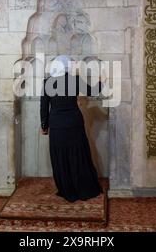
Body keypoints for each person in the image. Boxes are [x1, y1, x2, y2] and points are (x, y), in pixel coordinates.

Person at [40, 55, 103, 202]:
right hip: (74, 124)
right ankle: (83, 188)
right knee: (78, 155)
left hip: (57, 126)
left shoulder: (47, 83)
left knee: (61, 157)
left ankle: (67, 189)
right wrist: (101, 81)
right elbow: (92, 91)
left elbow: (43, 107)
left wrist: (44, 126)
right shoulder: (74, 80)